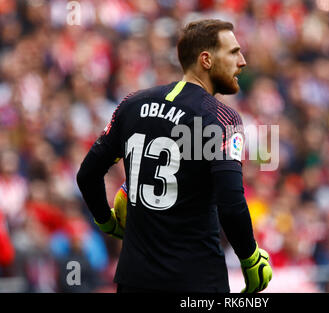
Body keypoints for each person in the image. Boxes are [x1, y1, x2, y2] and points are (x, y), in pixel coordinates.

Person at [76, 19, 272, 293]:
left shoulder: (132, 104)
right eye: (234, 52)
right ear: (206, 60)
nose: (242, 61)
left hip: (134, 280)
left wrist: (107, 222)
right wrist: (250, 259)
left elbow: (87, 175)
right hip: (196, 281)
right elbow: (231, 202)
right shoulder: (221, 118)